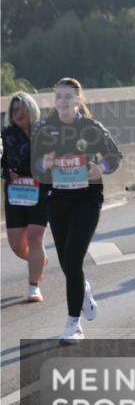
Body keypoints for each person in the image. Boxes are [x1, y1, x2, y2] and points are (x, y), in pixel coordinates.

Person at [31, 78, 122, 343]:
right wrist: (42, 161)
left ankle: (74, 324)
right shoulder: (44, 129)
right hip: (57, 200)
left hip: (86, 198)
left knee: (73, 260)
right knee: (66, 264)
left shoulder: (92, 128)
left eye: (68, 97)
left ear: (77, 99)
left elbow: (115, 155)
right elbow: (35, 167)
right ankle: (82, 289)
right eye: (58, 97)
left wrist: (100, 168)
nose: (62, 102)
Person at [2, 92, 48, 301]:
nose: (18, 113)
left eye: (21, 108)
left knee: (35, 237)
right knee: (16, 245)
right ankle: (37, 261)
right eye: (14, 109)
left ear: (31, 109)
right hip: (16, 192)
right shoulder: (6, 134)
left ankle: (33, 285)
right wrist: (6, 172)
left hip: (40, 190)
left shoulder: (45, 132)